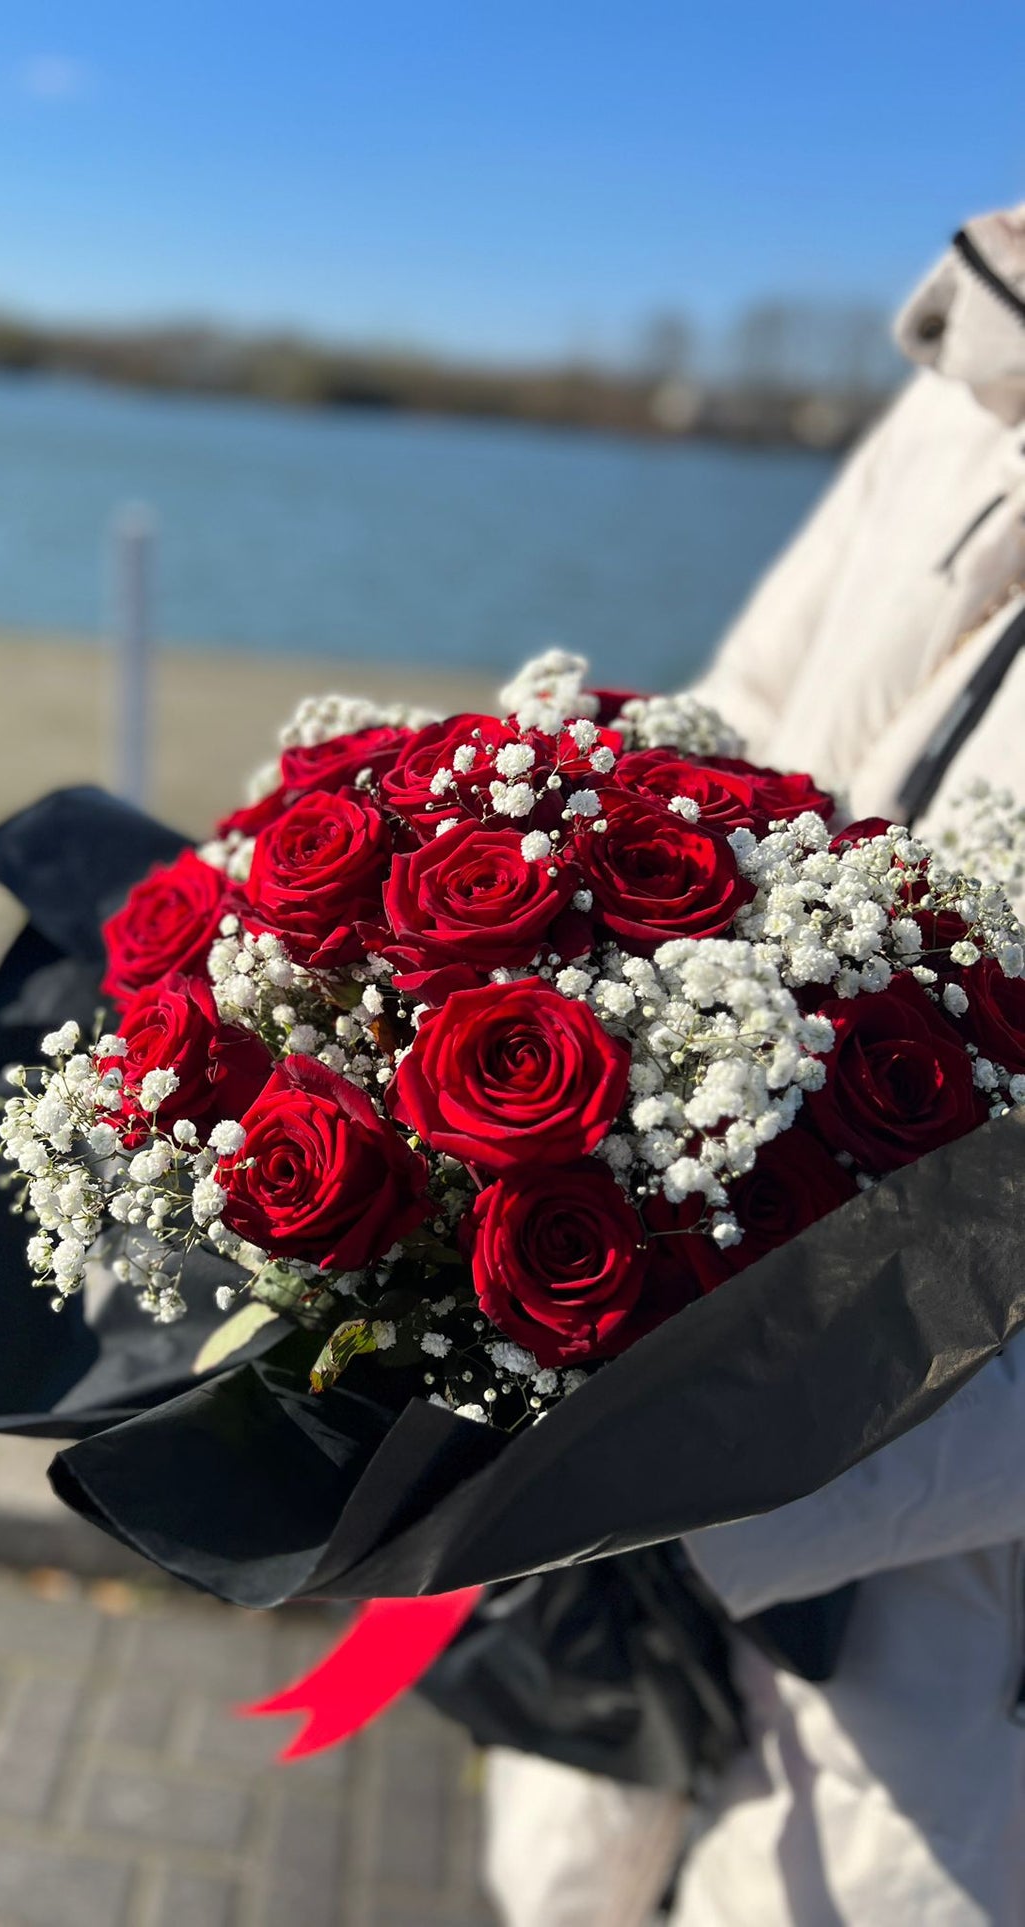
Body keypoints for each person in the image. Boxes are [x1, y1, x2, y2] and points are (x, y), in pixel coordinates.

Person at [484, 202, 1025, 1927]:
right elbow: (741, 726)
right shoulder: (969, 371)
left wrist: (733, 1452)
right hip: (664, 1455)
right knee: (565, 1875)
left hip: (958, 1652)